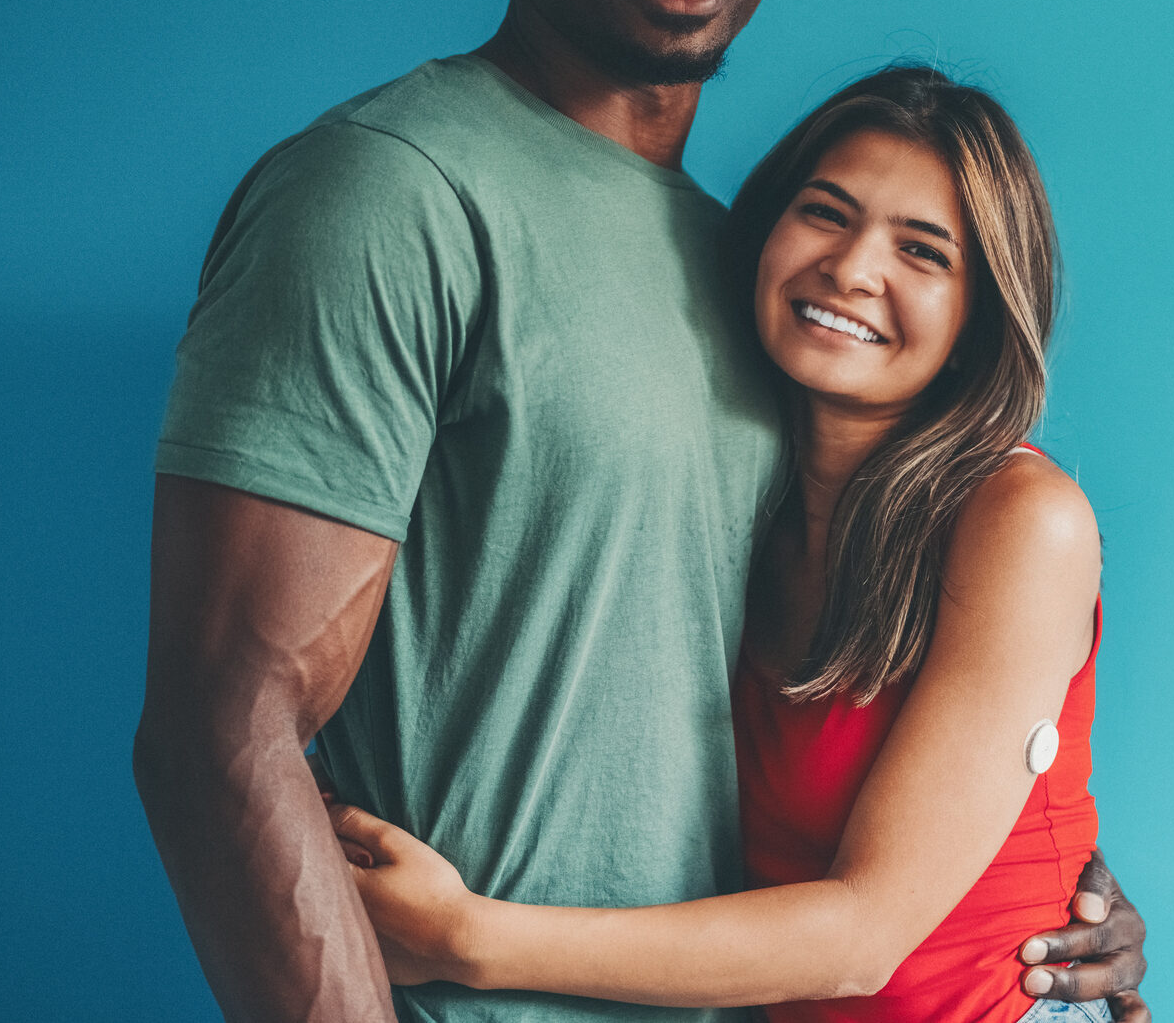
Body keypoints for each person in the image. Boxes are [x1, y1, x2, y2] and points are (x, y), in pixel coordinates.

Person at [132, 0, 1149, 1023]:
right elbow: (219, 724)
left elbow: (723, 679)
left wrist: (1042, 866)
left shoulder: (738, 269)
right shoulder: (387, 188)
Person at [323, 66, 1111, 1022]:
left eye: (923, 252)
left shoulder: (1020, 519)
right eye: (826, 213)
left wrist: (463, 939)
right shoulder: (729, 493)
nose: (854, 269)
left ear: (978, 315)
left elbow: (865, 938)